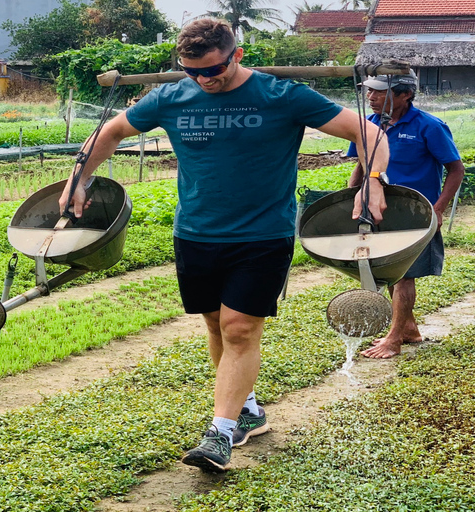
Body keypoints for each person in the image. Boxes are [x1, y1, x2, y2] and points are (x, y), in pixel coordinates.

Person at [59, 18, 389, 473]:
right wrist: (81, 176)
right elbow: (111, 132)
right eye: (192, 71)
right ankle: (247, 411)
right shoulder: (172, 96)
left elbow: (368, 133)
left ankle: (219, 435)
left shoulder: (282, 96)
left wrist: (372, 181)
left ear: (236, 55)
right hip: (194, 233)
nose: (203, 80)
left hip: (262, 234)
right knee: (215, 325)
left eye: (212, 70)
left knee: (238, 329)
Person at [347, 72, 465, 359]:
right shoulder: (369, 125)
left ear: (404, 95)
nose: (371, 98)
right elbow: (363, 165)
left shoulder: (429, 126)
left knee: (404, 276)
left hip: (415, 212)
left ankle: (394, 338)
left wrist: (437, 209)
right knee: (388, 271)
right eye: (369, 92)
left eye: (379, 92)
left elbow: (456, 169)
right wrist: (350, 195)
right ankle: (408, 327)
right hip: (378, 209)